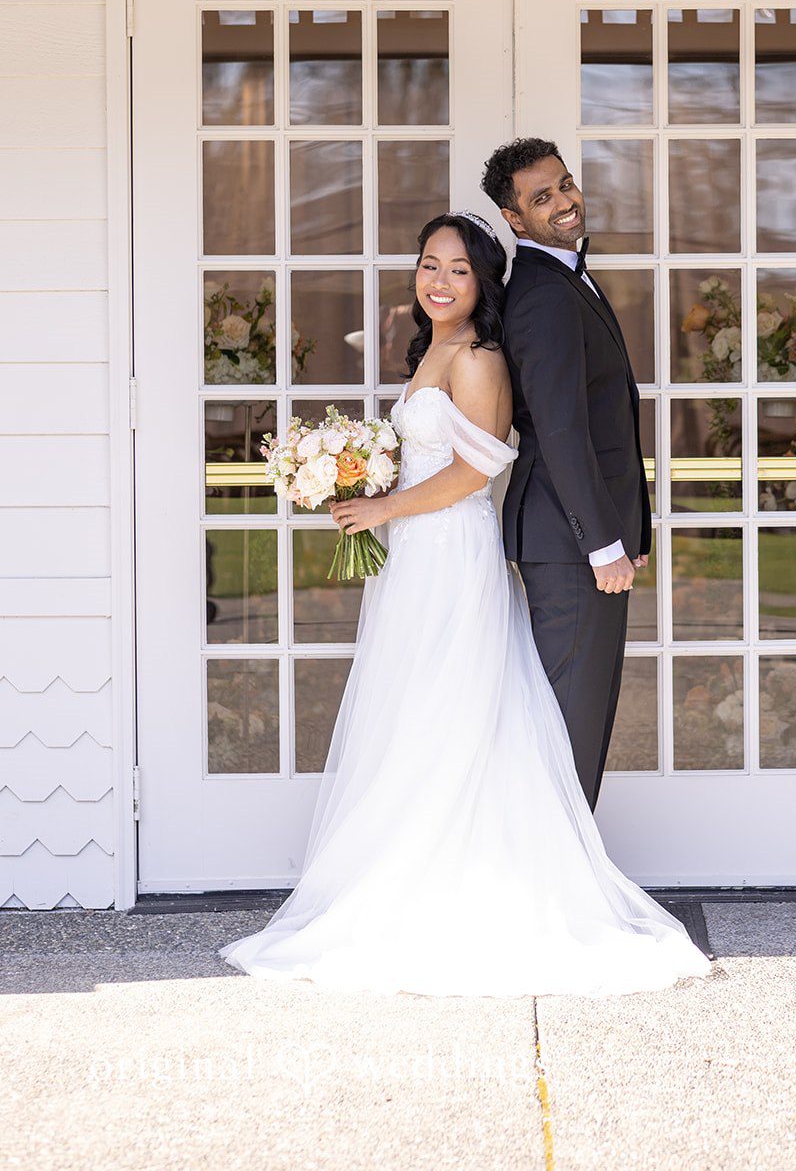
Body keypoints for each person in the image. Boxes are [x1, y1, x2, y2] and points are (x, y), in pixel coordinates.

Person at [217, 212, 712, 997]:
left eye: (456, 269)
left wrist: (384, 509)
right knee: (412, 711)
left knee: (449, 708)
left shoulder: (480, 356)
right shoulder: (432, 350)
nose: (438, 280)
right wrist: (357, 479)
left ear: (483, 283)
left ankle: (458, 885)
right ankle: (400, 868)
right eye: (427, 265)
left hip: (450, 552)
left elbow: (480, 467)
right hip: (415, 555)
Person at [480, 138, 652, 811]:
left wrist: (625, 529)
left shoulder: (565, 277)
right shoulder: (543, 296)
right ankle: (554, 893)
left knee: (581, 715)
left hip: (579, 536)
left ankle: (564, 877)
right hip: (566, 543)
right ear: (514, 219)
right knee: (569, 726)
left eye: (566, 185)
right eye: (541, 197)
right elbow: (559, 430)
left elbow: (609, 422)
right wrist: (600, 543)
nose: (564, 202)